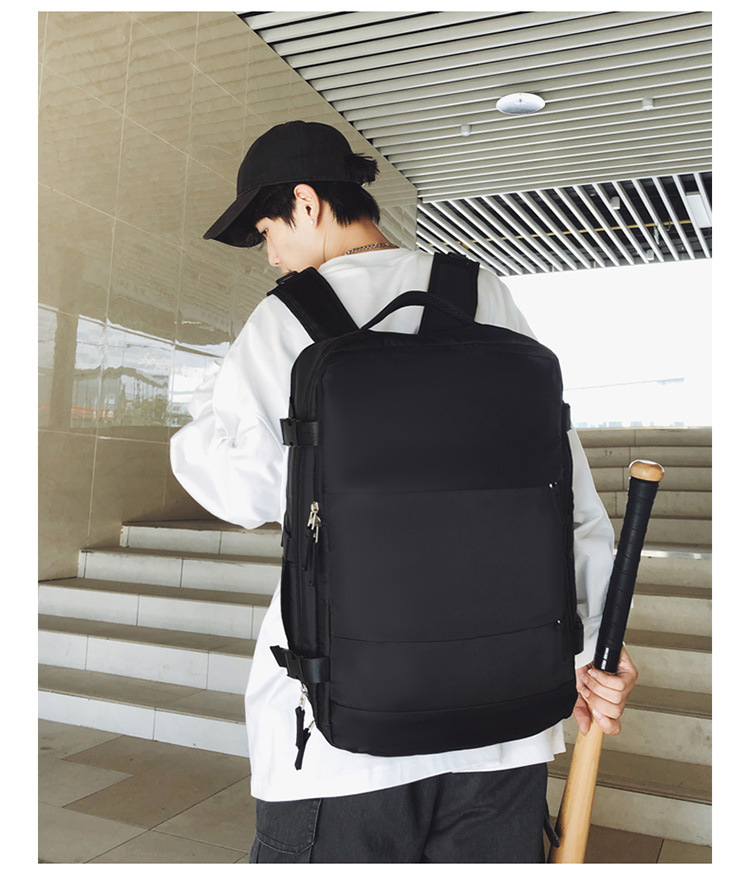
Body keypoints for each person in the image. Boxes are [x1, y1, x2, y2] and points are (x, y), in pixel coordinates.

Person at [169, 120, 638, 864]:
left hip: (339, 736)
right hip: (503, 726)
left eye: (268, 232)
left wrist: (191, 438)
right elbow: (562, 492)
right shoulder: (482, 294)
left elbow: (249, 491)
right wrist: (594, 645)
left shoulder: (285, 318)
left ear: (307, 203)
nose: (273, 255)